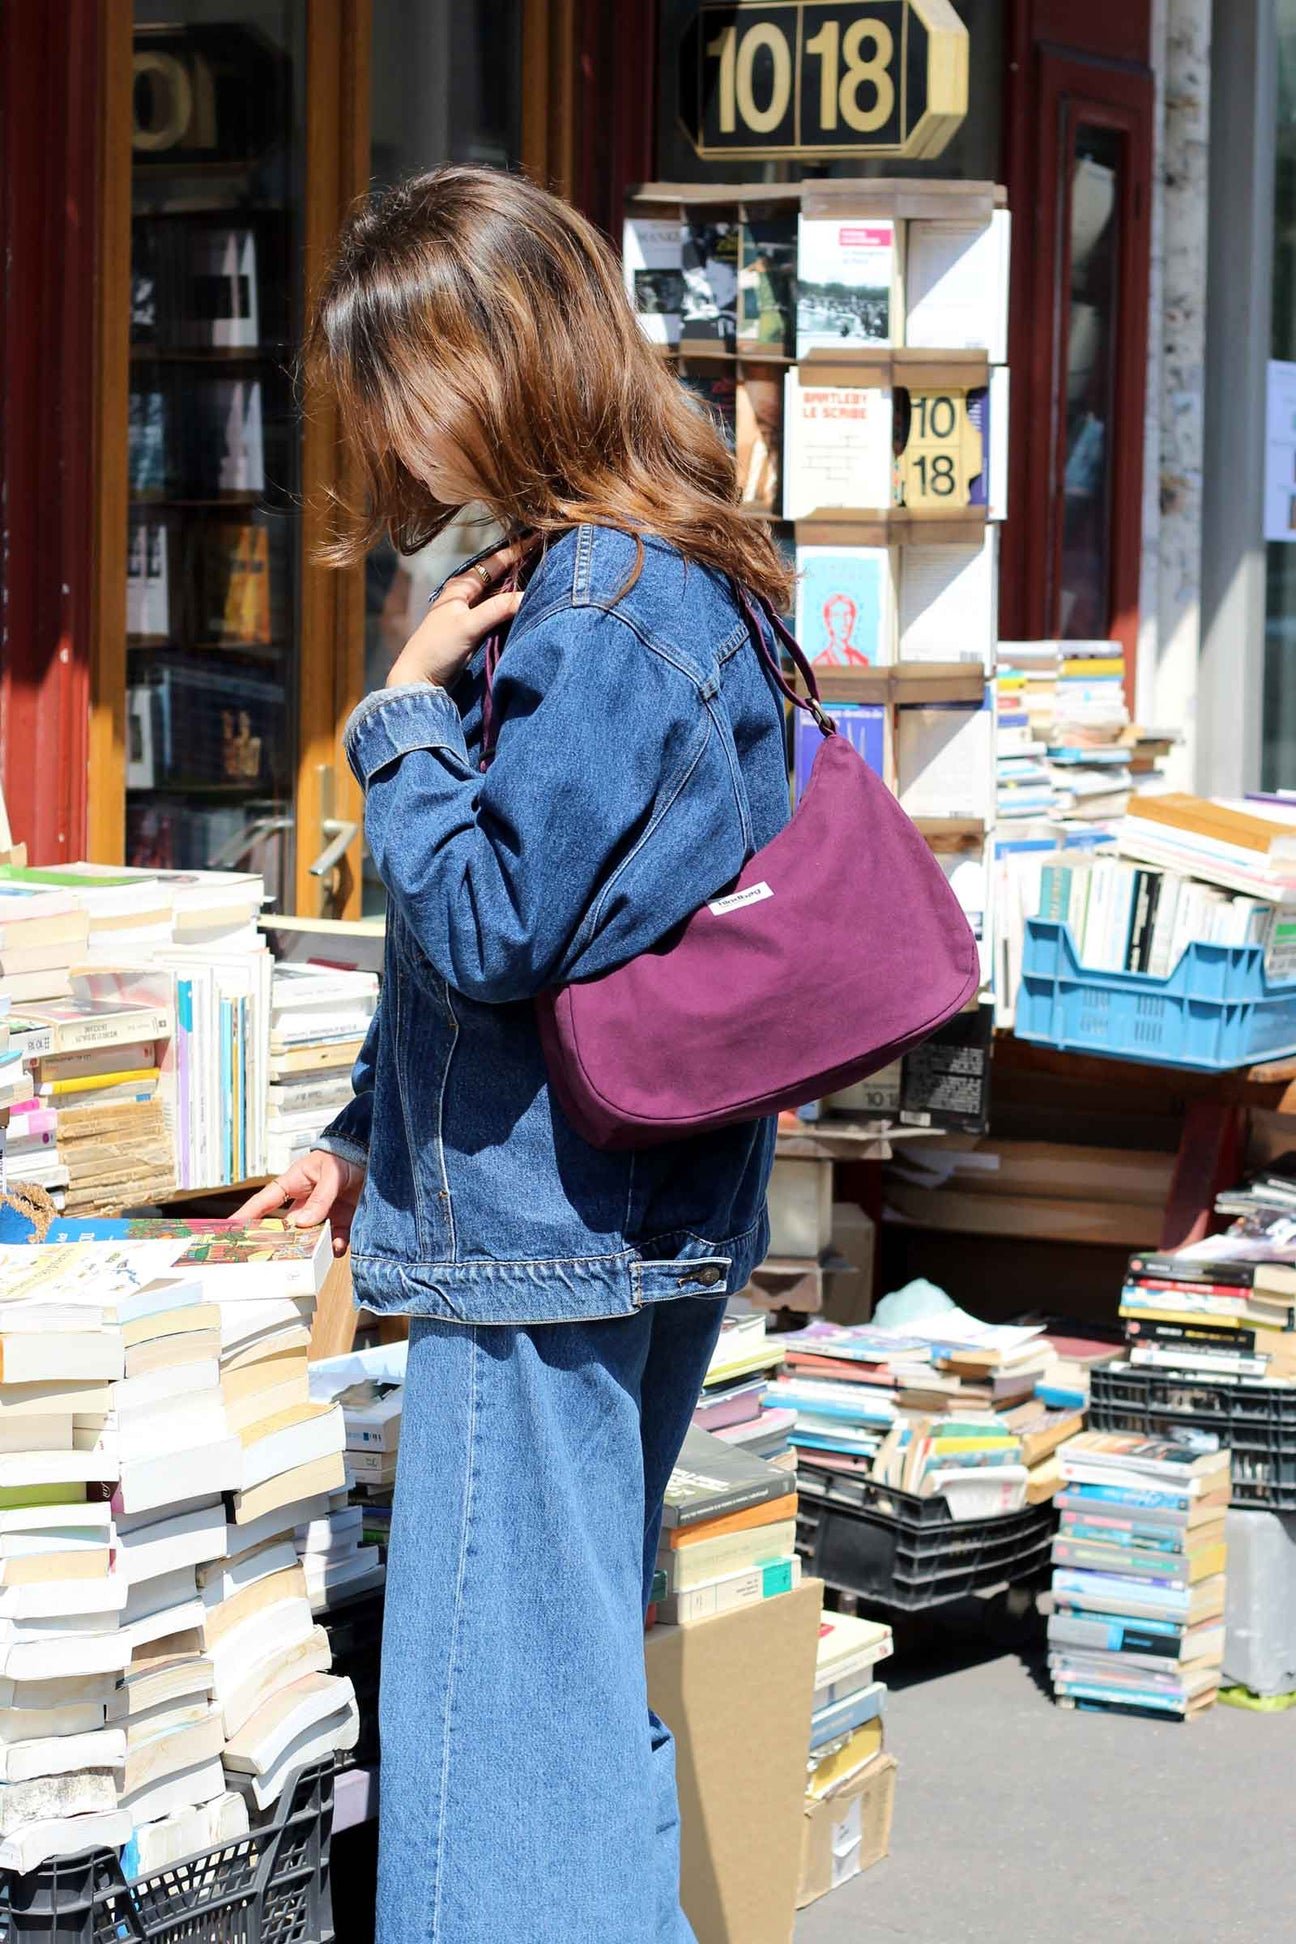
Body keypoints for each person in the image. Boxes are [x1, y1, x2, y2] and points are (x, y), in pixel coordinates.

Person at [236, 164, 793, 1943]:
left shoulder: (605, 606)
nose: (389, 431)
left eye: (400, 379)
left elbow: (487, 925)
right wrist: (354, 1135)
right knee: (555, 1700)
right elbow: (534, 951)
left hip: (545, 1242)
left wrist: (396, 715)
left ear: (497, 358)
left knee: (496, 1739)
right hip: (603, 1209)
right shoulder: (654, 576)